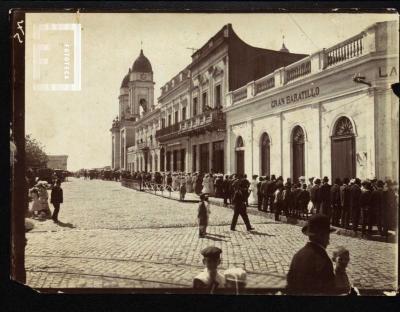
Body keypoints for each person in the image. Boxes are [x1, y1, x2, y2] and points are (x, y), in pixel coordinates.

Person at [286, 214, 336, 295]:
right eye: (327, 236)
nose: (329, 241)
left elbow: (290, 283)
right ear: (321, 236)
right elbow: (329, 290)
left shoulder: (298, 255)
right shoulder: (323, 260)